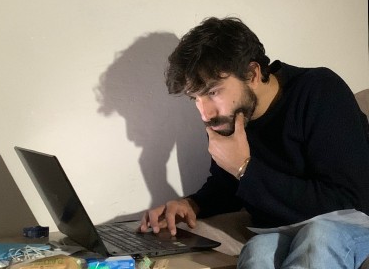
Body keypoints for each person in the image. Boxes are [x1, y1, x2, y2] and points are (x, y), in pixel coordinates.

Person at [139, 17, 369, 268]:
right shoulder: (227, 118)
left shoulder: (319, 91)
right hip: (282, 226)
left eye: (213, 92)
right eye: (195, 98)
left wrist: (244, 167)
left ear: (252, 74)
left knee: (319, 238)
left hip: (349, 221)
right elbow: (227, 185)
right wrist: (191, 204)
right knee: (258, 250)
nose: (205, 113)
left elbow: (348, 199)